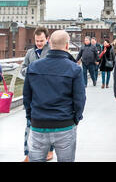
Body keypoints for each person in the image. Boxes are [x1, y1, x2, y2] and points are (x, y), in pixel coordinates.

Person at [23, 30, 86, 162]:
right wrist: (75, 119)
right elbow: (79, 99)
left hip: (38, 124)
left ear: (50, 43)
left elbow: (27, 97)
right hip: (65, 125)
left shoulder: (33, 67)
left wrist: (31, 117)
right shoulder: (74, 69)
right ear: (67, 46)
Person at [21, 27, 55, 162]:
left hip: (48, 94)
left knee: (49, 125)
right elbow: (23, 68)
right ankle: (28, 153)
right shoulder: (30, 52)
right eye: (37, 41)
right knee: (29, 124)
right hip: (32, 94)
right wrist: (31, 70)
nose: (39, 43)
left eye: (41, 40)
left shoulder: (52, 52)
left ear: (47, 39)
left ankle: (50, 150)